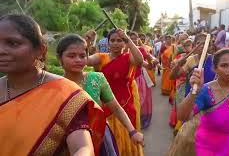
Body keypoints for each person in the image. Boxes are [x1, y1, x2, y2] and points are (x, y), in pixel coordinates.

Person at [0, 14, 106, 155]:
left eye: (13, 43)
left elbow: (82, 147)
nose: (1, 50)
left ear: (41, 50)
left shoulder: (64, 93)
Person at [56, 34, 145, 155]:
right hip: (68, 142)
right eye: (71, 56)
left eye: (82, 56)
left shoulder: (97, 79)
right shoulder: (55, 86)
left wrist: (132, 131)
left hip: (100, 137)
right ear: (59, 58)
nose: (78, 59)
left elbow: (116, 108)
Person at [86, 29, 145, 156]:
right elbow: (85, 60)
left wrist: (128, 40)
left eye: (119, 40)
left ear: (124, 43)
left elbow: (140, 61)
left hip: (125, 104)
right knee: (109, 140)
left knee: (126, 139)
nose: (116, 43)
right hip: (106, 105)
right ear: (108, 43)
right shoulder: (101, 57)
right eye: (112, 40)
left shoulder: (128, 58)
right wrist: (87, 41)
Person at [128, 31, 156, 129]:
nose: (134, 40)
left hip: (140, 79)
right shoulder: (123, 51)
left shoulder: (141, 50)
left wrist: (153, 62)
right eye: (131, 38)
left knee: (142, 102)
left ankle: (141, 121)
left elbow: (148, 61)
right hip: (128, 81)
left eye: (135, 38)